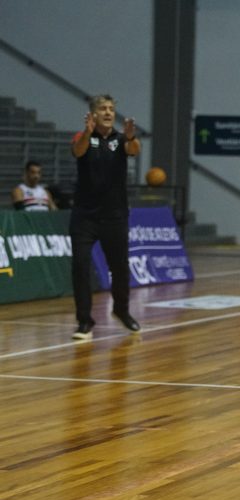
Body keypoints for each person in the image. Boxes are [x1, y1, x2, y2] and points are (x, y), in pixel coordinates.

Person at [69, 94, 141, 340]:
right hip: (85, 216)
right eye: (103, 109)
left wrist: (130, 137)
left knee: (119, 268)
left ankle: (121, 310)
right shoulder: (82, 137)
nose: (109, 112)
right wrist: (87, 133)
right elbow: (78, 151)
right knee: (80, 265)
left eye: (111, 108)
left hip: (114, 215)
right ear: (93, 114)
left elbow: (134, 150)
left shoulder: (121, 139)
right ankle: (84, 321)